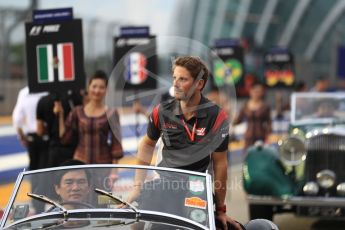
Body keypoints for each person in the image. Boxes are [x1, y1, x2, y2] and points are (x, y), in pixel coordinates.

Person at [126, 56, 243, 230]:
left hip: (197, 188)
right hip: (165, 185)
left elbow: (220, 164)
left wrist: (220, 209)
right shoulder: (161, 112)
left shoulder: (217, 117)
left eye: (183, 79)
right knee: (136, 223)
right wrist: (137, 187)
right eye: (174, 78)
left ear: (199, 84)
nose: (176, 84)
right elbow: (147, 145)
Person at [56, 70, 123, 165]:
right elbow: (65, 138)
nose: (97, 91)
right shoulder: (77, 112)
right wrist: (61, 115)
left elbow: (116, 144)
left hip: (103, 165)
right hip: (80, 164)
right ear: (88, 87)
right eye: (94, 86)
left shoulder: (111, 113)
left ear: (106, 90)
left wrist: (114, 171)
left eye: (101, 87)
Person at [36, 90, 83, 168]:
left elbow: (39, 131)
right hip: (73, 148)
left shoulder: (43, 101)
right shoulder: (75, 97)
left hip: (53, 148)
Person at [12, 86, 48, 170]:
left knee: (34, 166)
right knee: (46, 168)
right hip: (47, 136)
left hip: (32, 137)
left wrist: (21, 137)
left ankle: (35, 183)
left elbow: (17, 119)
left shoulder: (24, 92)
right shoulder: (48, 89)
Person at [233, 82, 272, 150]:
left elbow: (269, 122)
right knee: (248, 155)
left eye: (258, 92)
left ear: (262, 93)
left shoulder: (265, 107)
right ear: (250, 92)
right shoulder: (245, 105)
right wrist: (232, 117)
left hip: (260, 136)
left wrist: (268, 135)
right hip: (248, 136)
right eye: (254, 91)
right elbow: (238, 120)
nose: (256, 93)